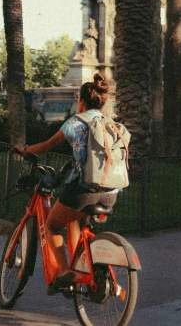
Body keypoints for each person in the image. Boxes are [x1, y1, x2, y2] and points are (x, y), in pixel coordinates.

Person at [14, 73, 118, 294]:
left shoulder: (76, 122)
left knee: (51, 224)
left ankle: (63, 271)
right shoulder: (111, 123)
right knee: (73, 218)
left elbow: (47, 145)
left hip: (84, 189)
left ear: (81, 101)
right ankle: (77, 265)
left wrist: (25, 150)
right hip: (111, 191)